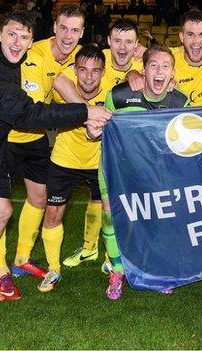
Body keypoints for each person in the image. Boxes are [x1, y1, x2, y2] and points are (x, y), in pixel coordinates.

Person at [0, 10, 111, 317]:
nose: (17, 42)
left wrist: (88, 110)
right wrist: (84, 113)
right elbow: (25, 114)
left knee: (1, 213)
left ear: (32, 41)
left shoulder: (10, 62)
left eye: (24, 37)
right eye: (11, 34)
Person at [0, 5, 86, 292]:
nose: (69, 35)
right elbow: (31, 108)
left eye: (75, 30)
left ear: (82, 33)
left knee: (40, 197)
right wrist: (85, 113)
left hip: (33, 139)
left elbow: (75, 87)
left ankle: (22, 257)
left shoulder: (72, 60)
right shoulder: (37, 54)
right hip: (2, 138)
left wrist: (141, 53)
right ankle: (0, 266)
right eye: (64, 28)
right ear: (55, 27)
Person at [92, 43, 189, 299]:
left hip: (154, 173)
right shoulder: (119, 95)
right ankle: (117, 270)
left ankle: (156, 271)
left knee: (157, 219)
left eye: (165, 66)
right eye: (154, 65)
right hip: (117, 168)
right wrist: (93, 131)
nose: (159, 71)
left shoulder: (180, 100)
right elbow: (98, 129)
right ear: (143, 70)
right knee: (112, 217)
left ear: (172, 73)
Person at [53, 18, 143, 270]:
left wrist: (135, 72)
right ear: (108, 42)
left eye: (128, 43)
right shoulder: (96, 60)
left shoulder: (143, 66)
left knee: (109, 207)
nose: (122, 48)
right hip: (78, 147)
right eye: (117, 41)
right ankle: (90, 249)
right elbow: (58, 79)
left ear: (136, 46)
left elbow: (167, 77)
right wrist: (88, 111)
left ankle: (110, 257)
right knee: (97, 204)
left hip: (116, 155)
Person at [35, 45, 108, 292]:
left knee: (109, 212)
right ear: (74, 69)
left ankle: (109, 261)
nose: (89, 77)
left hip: (100, 161)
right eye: (83, 70)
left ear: (103, 72)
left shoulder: (113, 90)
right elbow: (53, 79)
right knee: (53, 213)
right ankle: (53, 269)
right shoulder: (62, 85)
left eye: (95, 71)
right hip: (64, 160)